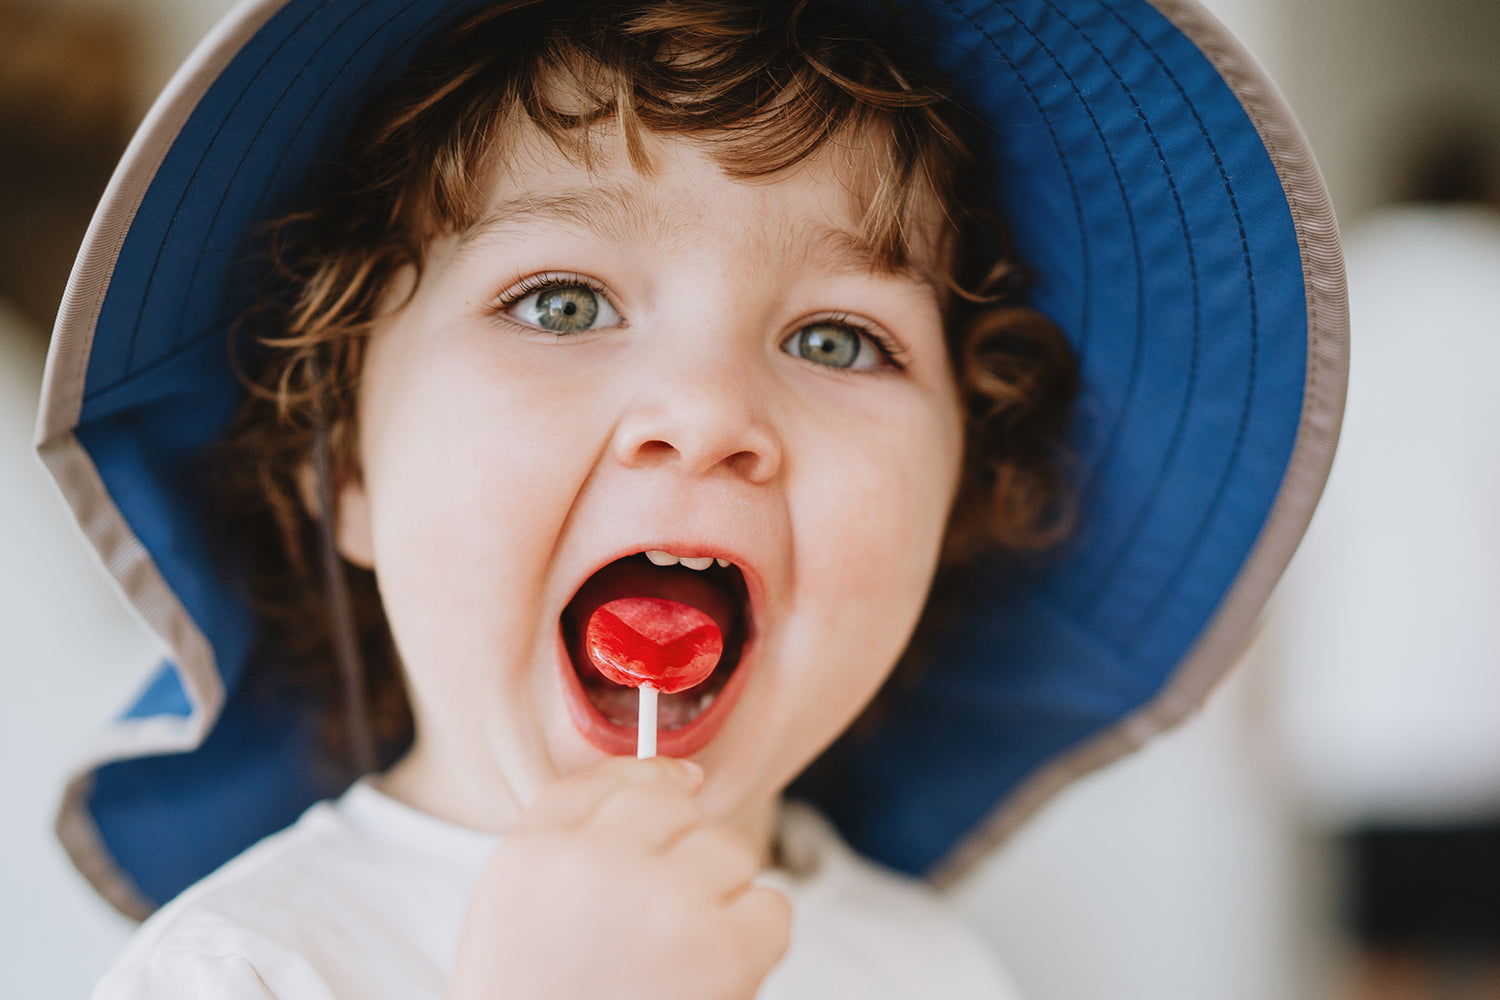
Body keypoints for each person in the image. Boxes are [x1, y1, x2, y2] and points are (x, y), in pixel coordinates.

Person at [36, 0, 1347, 996]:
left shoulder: (934, 973)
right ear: (351, 468)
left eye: (837, 340)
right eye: (561, 303)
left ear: (953, 512)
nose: (712, 416)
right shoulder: (245, 968)